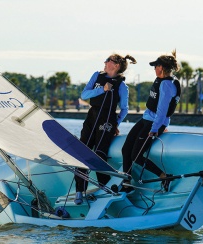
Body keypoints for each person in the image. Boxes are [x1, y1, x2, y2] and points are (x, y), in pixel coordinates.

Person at [74, 54, 137, 205]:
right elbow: (84, 94)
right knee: (83, 152)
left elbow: (124, 109)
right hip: (92, 117)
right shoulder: (97, 76)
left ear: (115, 66)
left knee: (99, 155)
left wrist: (116, 124)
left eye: (108, 61)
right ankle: (79, 191)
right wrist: (102, 89)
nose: (105, 62)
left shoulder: (122, 86)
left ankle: (107, 189)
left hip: (107, 121)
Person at [121, 50, 181, 193]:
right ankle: (126, 181)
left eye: (156, 66)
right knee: (126, 149)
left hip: (154, 123)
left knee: (136, 155)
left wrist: (156, 128)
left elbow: (162, 110)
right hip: (146, 119)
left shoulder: (167, 85)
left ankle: (164, 176)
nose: (154, 69)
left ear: (162, 67)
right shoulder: (160, 80)